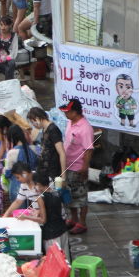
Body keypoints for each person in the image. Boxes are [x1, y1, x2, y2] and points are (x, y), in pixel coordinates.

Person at [59, 97, 93, 234]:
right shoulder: (70, 122)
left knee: (81, 196)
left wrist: (84, 168)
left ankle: (82, 223)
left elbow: (88, 150)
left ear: (75, 112)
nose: (65, 114)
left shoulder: (85, 128)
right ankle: (73, 219)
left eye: (67, 112)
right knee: (70, 195)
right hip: (68, 164)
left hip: (78, 167)